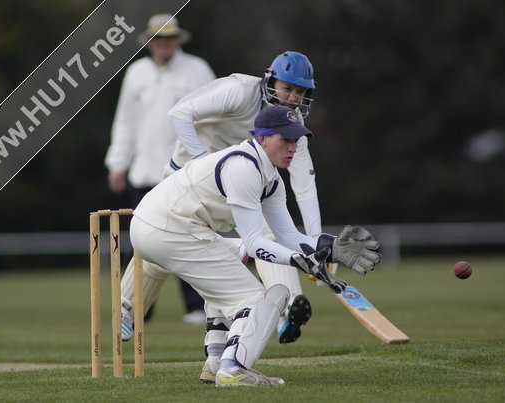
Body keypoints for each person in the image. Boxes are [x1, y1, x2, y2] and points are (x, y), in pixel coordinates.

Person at [129, 106, 381, 386]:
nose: (292, 147)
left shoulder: (270, 179)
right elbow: (255, 242)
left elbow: (288, 236)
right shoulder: (244, 166)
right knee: (257, 298)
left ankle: (215, 361)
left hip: (164, 227)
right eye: (285, 139)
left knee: (231, 263)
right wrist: (300, 260)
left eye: (296, 140)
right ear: (262, 139)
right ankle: (233, 368)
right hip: (168, 228)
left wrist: (333, 247)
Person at [121, 51, 322, 349]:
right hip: (189, 181)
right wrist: (203, 162)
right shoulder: (240, 90)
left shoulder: (291, 125)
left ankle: (285, 308)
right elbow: (180, 113)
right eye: (288, 88)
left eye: (300, 92)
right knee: (160, 248)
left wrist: (316, 243)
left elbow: (304, 185)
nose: (293, 98)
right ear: (270, 80)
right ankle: (127, 308)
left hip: (239, 184)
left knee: (267, 235)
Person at [104, 14, 215, 326]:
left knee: (190, 237)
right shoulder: (136, 73)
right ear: (149, 42)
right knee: (141, 241)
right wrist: (117, 163)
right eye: (158, 39)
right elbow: (125, 122)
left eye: (169, 38)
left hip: (186, 172)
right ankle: (135, 309)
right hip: (144, 173)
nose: (163, 44)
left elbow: (214, 119)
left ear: (178, 40)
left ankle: (199, 306)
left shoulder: (198, 70)